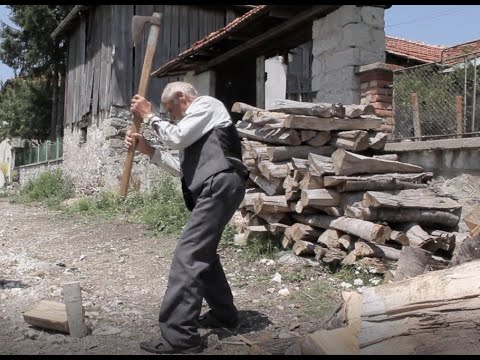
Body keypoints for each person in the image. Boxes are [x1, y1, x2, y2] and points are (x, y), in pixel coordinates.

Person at [124, 81, 248, 354]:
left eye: (171, 109)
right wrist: (150, 151)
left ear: (182, 97)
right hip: (216, 187)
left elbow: (176, 136)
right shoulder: (193, 128)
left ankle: (180, 337)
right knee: (204, 253)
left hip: (221, 182)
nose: (172, 116)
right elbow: (181, 168)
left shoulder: (206, 105)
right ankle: (224, 315)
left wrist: (147, 115)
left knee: (188, 254)